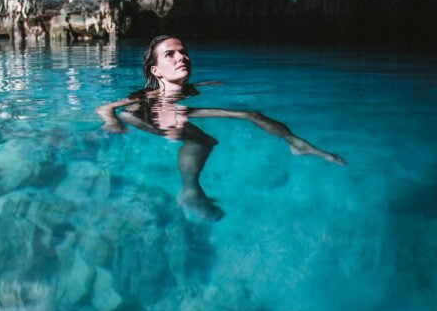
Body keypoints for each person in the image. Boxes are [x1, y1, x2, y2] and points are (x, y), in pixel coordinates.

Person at [96, 35, 345, 221]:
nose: (182, 57)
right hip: (145, 115)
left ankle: (295, 144)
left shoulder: (191, 89)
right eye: (170, 54)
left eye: (183, 52)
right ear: (156, 70)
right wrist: (111, 121)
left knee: (211, 136)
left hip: (174, 111)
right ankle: (296, 145)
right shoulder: (146, 94)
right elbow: (106, 108)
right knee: (244, 117)